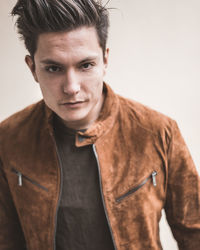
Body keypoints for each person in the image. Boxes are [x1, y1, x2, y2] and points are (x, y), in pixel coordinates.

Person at [0, 0, 199, 249]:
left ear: (105, 60)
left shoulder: (158, 132)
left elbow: (195, 234)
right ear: (32, 69)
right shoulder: (8, 139)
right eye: (53, 68)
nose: (71, 87)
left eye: (85, 65)